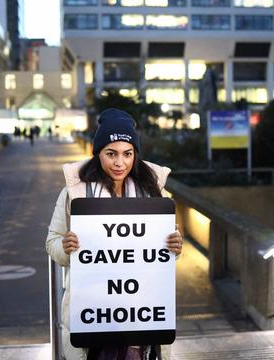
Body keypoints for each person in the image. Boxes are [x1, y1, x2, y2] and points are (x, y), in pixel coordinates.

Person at [45, 108, 183, 360]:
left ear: (135, 155)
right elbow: (52, 241)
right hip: (92, 309)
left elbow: (160, 257)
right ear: (97, 153)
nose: (120, 163)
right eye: (111, 154)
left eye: (127, 154)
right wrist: (65, 247)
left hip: (140, 310)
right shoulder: (74, 194)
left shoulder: (153, 192)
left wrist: (174, 246)